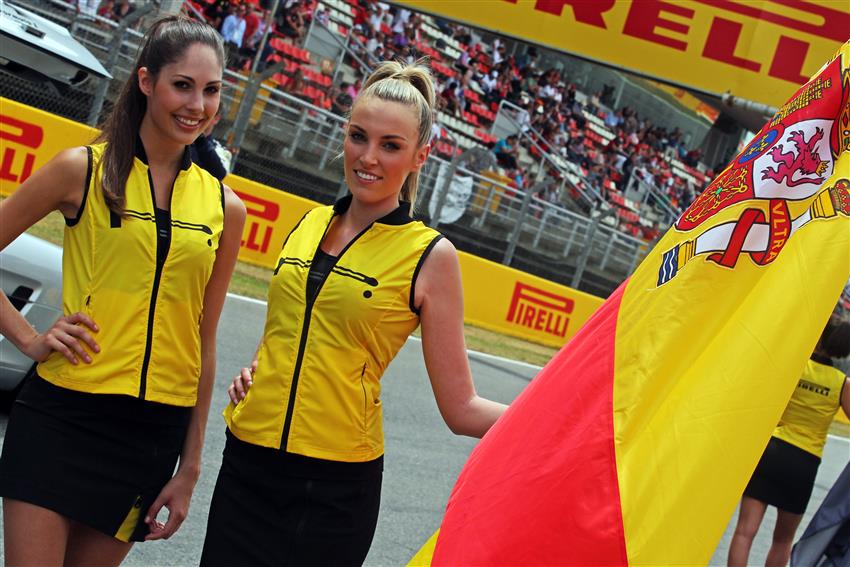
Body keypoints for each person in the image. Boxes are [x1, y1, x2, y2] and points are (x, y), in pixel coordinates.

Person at [199, 59, 508, 566]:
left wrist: (564, 426)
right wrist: (261, 369)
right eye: (358, 137)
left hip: (332, 488)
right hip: (246, 462)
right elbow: (290, 326)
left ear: (420, 156)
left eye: (391, 146)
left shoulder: (431, 256)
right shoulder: (307, 222)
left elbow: (462, 408)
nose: (368, 157)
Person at [0, 16, 246, 567]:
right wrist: (29, 338)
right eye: (182, 85)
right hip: (61, 417)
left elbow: (203, 341)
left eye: (211, 90)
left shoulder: (226, 209)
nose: (198, 105)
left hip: (149, 436)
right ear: (145, 82)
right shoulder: (80, 170)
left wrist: (190, 467)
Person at [728, 317, 850, 567]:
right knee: (782, 541)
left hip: (771, 451)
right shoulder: (841, 384)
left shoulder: (794, 367)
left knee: (744, 531)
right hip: (804, 462)